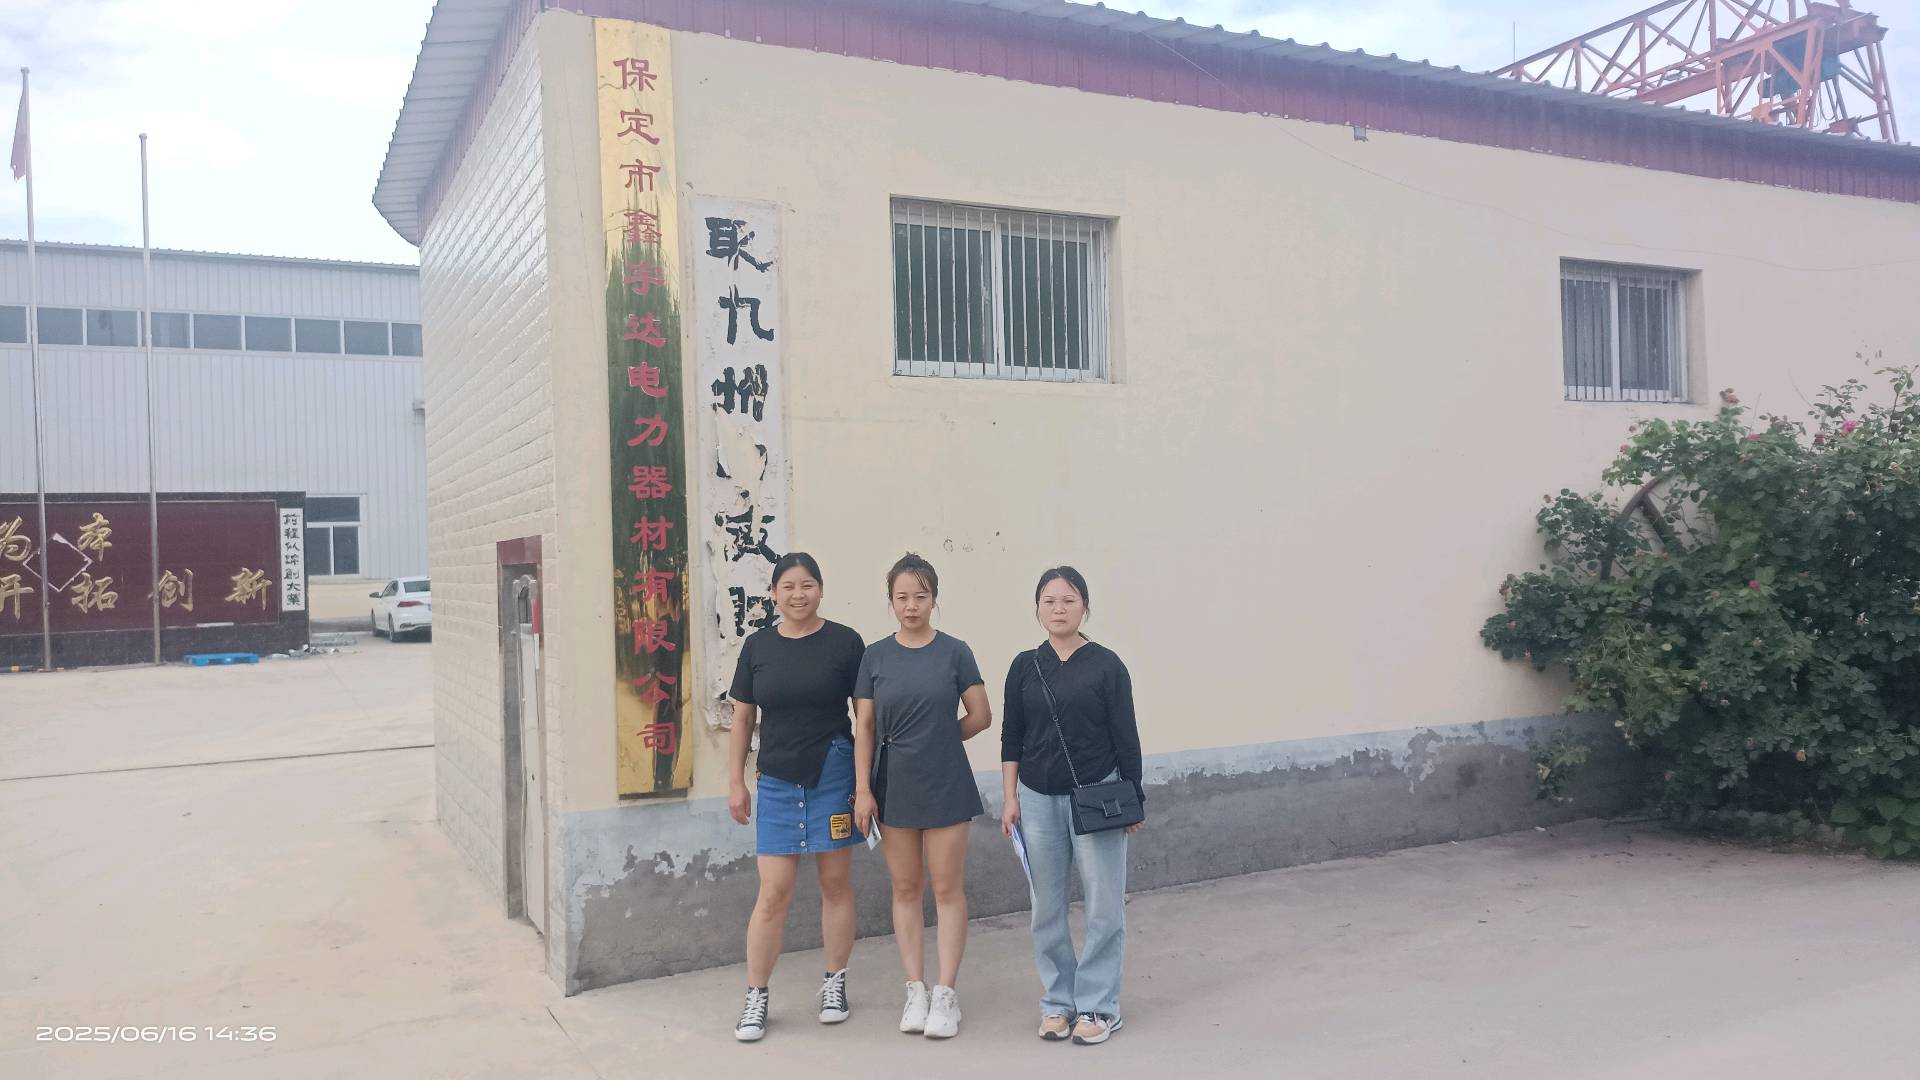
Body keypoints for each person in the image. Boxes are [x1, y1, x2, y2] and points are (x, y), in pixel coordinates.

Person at [725, 552, 869, 1042]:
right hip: (777, 778)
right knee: (773, 891)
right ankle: (756, 995)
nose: (798, 594)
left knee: (835, 883)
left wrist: (863, 785)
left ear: (820, 590)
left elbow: (865, 719)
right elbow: (743, 718)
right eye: (788, 586)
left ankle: (835, 983)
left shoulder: (846, 643)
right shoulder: (758, 646)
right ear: (774, 595)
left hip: (833, 772)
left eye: (807, 585)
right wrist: (735, 782)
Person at [999, 566, 1144, 1047]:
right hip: (1037, 799)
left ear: (1085, 606)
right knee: (1046, 907)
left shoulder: (1106, 665)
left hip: (1098, 796)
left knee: (1104, 903)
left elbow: (1125, 736)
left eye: (1068, 600)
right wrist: (1010, 797)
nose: (1058, 609)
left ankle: (1099, 1006)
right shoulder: (1025, 665)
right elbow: (1012, 736)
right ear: (1037, 608)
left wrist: (1133, 798)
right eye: (1049, 601)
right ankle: (1058, 1002)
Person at [852, 553, 992, 1039]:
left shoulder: (955, 652)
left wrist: (940, 740)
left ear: (934, 599)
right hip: (893, 784)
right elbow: (864, 726)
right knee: (906, 888)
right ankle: (916, 989)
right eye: (902, 597)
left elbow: (981, 715)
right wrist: (863, 789)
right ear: (890, 601)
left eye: (921, 596)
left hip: (946, 781)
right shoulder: (874, 656)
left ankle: (946, 993)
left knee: (948, 888)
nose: (911, 606)